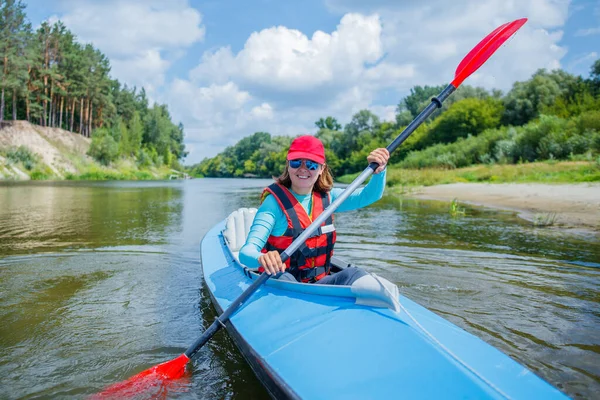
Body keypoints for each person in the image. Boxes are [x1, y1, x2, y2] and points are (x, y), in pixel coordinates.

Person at [239, 135, 389, 285]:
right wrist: (262, 258)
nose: (303, 169)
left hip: (320, 282)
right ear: (288, 165)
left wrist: (379, 171)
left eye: (311, 164)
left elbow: (370, 195)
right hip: (283, 283)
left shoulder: (330, 199)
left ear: (321, 168)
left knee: (354, 273)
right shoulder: (273, 204)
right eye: (296, 162)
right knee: (285, 277)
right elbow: (246, 252)